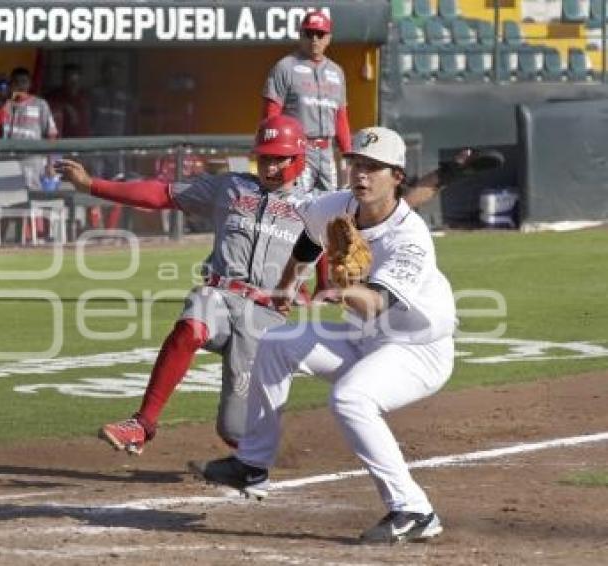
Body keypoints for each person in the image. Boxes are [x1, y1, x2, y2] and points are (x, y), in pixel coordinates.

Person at [192, 127, 457, 544]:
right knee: (275, 341)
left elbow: (375, 304)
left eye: (374, 168)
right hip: (363, 340)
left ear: (397, 177)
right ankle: (252, 465)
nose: (361, 175)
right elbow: (307, 242)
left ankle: (414, 509)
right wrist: (284, 287)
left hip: (416, 351)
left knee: (352, 398)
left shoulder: (411, 238)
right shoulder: (338, 205)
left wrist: (340, 289)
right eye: (356, 164)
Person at [57, 115, 329, 455]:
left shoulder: (317, 205)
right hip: (221, 293)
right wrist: (92, 186)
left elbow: (335, 241)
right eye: (264, 157)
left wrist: (325, 284)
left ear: (297, 158)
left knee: (235, 430)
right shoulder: (230, 187)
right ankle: (142, 424)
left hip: (265, 318)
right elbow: (161, 194)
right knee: (193, 320)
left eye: (278, 158)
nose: (269, 166)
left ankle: (254, 460)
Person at [262, 10, 352, 192]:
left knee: (330, 204)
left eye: (320, 34)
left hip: (327, 151)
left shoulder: (336, 71)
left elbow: (341, 117)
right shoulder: (285, 67)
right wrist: (273, 152)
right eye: (309, 33)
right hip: (298, 150)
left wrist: (348, 153)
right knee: (298, 204)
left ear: (329, 38)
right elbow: (271, 115)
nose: (314, 39)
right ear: (300, 35)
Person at [0, 66, 58, 191]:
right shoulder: (2, 104)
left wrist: (50, 163)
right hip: (6, 160)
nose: (20, 85)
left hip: (31, 160)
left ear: (30, 84)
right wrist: (4, 105)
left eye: (24, 81)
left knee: (31, 195)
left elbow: (51, 135)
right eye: (16, 82)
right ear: (11, 84)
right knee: (8, 196)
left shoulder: (40, 104)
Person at [47, 63, 91, 138]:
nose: (73, 82)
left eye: (75, 80)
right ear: (63, 79)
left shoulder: (86, 96)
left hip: (84, 141)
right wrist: (65, 107)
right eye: (69, 77)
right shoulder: (54, 96)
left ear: (80, 78)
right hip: (63, 141)